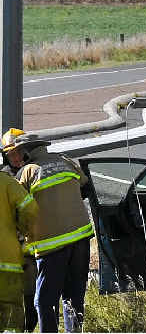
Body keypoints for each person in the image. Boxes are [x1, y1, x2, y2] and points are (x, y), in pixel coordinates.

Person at [1, 129, 92, 333]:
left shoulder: (27, 172)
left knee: (44, 302)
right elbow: (85, 187)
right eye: (9, 155)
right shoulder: (65, 161)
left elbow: (18, 209)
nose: (13, 158)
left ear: (27, 151)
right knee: (73, 298)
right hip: (82, 239)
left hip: (52, 246)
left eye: (16, 153)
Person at [0, 159, 37, 332]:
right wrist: (22, 228)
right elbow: (30, 208)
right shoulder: (7, 182)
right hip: (7, 262)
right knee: (12, 313)